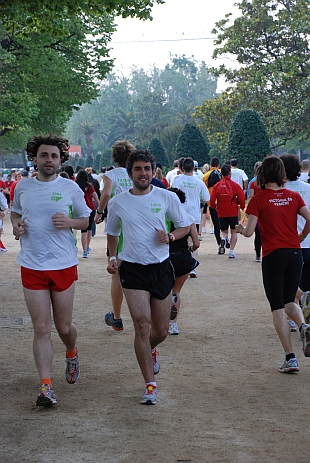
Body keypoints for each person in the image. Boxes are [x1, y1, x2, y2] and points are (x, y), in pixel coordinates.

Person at [106, 149, 192, 405]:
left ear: (153, 171)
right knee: (142, 325)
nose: (142, 174)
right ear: (130, 172)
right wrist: (113, 257)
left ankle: (150, 348)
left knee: (161, 330)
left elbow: (184, 224)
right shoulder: (118, 202)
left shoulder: (166, 196)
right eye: (137, 169)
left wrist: (172, 236)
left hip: (161, 267)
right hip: (132, 268)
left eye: (146, 169)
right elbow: (112, 231)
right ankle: (150, 385)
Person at [11, 134, 90, 406]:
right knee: (41, 326)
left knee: (63, 326)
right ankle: (46, 386)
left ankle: (71, 351)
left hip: (63, 263)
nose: (49, 160)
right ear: (35, 158)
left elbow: (85, 220)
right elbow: (15, 212)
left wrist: (69, 221)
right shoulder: (22, 186)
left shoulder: (70, 188)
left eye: (54, 156)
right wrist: (16, 225)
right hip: (32, 263)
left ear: (60, 160)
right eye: (44, 155)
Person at [236, 155, 310, 373]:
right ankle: (304, 326)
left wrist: (240, 230)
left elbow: (249, 232)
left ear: (262, 175)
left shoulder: (259, 199)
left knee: (277, 306)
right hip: (295, 253)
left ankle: (290, 357)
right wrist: (300, 236)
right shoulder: (294, 196)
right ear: (282, 174)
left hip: (273, 255)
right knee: (289, 300)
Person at [95, 140, 136, 331]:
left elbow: (106, 194)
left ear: (114, 157)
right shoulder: (136, 173)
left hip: (117, 228)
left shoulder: (110, 174)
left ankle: (117, 317)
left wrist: (100, 212)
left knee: (117, 274)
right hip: (137, 226)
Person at [167, 187, 200, 335]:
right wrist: (190, 250)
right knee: (176, 291)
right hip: (183, 258)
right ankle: (173, 325)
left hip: (166, 257)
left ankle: (161, 321)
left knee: (163, 291)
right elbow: (196, 243)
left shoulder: (163, 217)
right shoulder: (188, 217)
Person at [172, 157, 210, 277]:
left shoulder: (177, 179)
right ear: (194, 168)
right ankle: (192, 266)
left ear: (182, 168)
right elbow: (207, 199)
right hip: (194, 215)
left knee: (178, 241)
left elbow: (172, 193)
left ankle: (176, 265)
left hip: (179, 214)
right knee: (194, 240)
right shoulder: (199, 182)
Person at [210, 163, 245, 258]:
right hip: (232, 210)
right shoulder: (235, 185)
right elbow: (241, 197)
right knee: (234, 232)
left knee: (224, 231)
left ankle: (224, 240)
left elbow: (212, 199)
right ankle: (231, 252)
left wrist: (214, 206)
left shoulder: (217, 186)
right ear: (230, 173)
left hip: (221, 211)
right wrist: (242, 206)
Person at [75, 169, 99, 258]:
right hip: (91, 208)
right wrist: (100, 208)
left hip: (80, 209)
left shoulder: (76, 186)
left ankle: (84, 250)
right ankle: (87, 246)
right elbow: (95, 197)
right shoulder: (89, 186)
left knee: (83, 230)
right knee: (89, 229)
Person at [202, 157, 222, 248]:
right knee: (224, 224)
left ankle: (219, 242)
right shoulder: (222, 173)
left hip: (212, 203)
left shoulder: (206, 176)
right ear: (218, 164)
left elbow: (204, 190)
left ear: (210, 165)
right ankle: (226, 239)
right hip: (223, 202)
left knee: (216, 224)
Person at [248, 161, 263, 262]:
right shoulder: (268, 183)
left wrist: (249, 210)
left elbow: (251, 197)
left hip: (257, 210)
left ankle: (258, 254)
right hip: (267, 209)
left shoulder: (253, 183)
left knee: (257, 233)